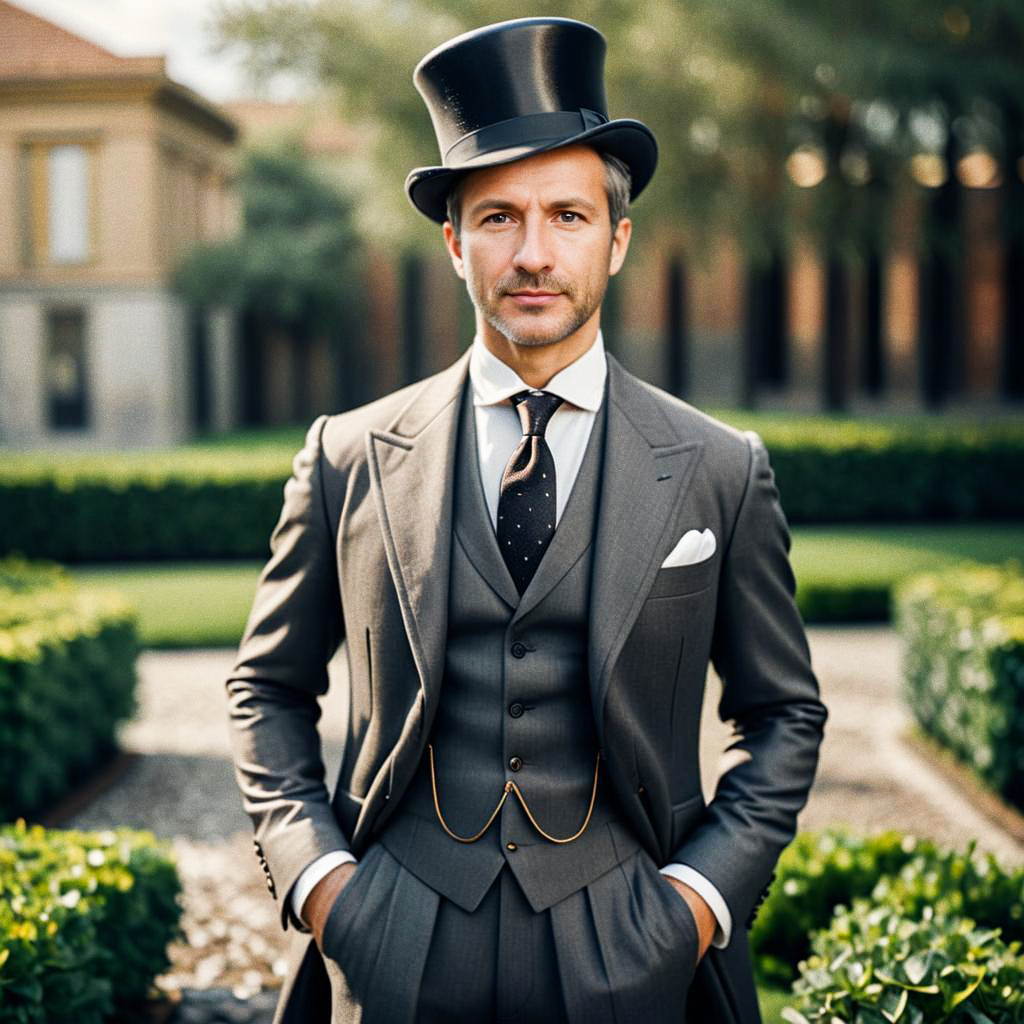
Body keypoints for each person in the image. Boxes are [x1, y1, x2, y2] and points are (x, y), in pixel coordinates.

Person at [226, 16, 827, 1024]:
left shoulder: (720, 469)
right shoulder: (348, 453)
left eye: (568, 215)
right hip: (393, 943)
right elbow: (265, 686)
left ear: (618, 237)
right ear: (455, 243)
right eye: (499, 217)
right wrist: (324, 884)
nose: (534, 253)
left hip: (630, 950)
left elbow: (783, 714)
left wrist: (695, 902)